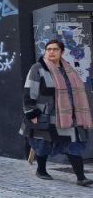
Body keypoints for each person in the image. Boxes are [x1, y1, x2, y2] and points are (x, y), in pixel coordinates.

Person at [22, 39, 93, 186]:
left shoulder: (68, 69)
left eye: (55, 49)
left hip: (69, 116)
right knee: (43, 143)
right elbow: (29, 90)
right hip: (47, 115)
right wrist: (31, 112)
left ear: (62, 52)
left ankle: (81, 177)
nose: (51, 52)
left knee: (73, 143)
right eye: (48, 49)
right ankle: (41, 170)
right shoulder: (38, 68)